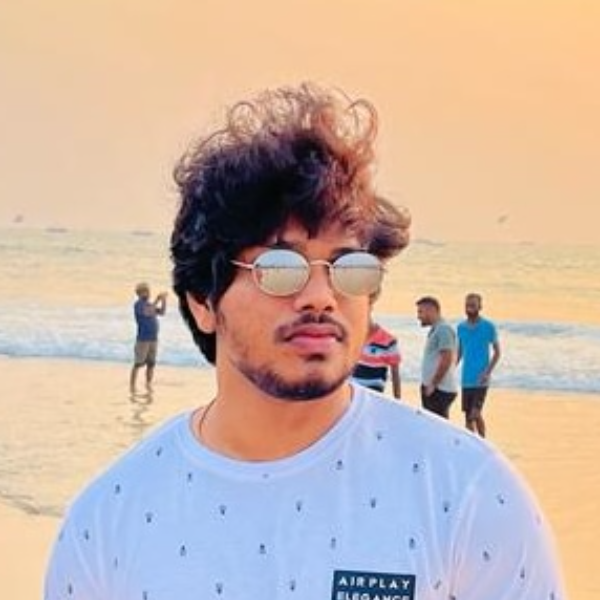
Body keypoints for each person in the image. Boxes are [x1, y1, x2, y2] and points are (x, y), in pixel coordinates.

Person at [45, 83, 564, 599]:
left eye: (349, 266)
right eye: (279, 267)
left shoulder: (469, 494)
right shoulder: (109, 521)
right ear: (203, 299)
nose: (320, 296)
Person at [457, 292, 501, 437]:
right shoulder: (461, 327)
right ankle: (472, 444)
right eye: (467, 305)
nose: (469, 308)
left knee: (475, 414)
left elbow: (497, 352)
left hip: (481, 379)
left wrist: (487, 373)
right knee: (468, 417)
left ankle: (483, 441)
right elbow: (460, 351)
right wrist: (450, 370)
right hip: (466, 379)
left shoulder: (488, 327)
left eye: (473, 305)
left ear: (480, 307)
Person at [416, 296, 458, 418]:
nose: (418, 316)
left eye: (420, 312)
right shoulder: (436, 330)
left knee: (436, 425)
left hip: (440, 390)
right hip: (434, 388)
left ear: (431, 310)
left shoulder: (443, 330)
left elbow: (447, 358)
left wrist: (433, 384)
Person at [129, 282, 167, 394]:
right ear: (139, 293)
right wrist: (157, 300)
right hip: (143, 339)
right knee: (138, 363)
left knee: (151, 363)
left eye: (148, 291)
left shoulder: (150, 304)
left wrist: (164, 301)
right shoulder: (138, 305)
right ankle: (132, 384)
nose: (148, 293)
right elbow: (147, 312)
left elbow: (162, 312)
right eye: (145, 291)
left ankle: (148, 383)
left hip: (153, 339)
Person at [351, 319, 402, 397]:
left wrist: (397, 400)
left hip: (374, 394)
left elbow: (395, 375)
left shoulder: (388, 341)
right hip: (352, 393)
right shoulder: (353, 337)